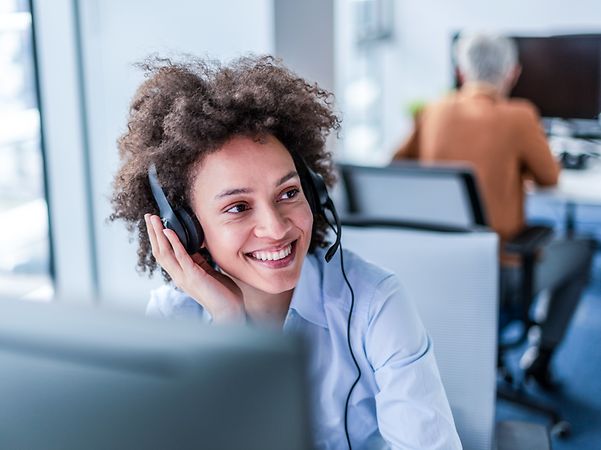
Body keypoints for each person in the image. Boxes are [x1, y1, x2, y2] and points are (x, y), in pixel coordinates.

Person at [110, 55, 462, 449]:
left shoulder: (374, 302)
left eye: (289, 193)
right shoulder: (174, 318)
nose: (277, 228)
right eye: (238, 207)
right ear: (186, 229)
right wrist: (228, 325)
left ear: (312, 193)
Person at [392, 32, 595, 390]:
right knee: (582, 249)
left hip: (433, 267)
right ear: (512, 73)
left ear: (460, 72)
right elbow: (549, 177)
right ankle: (541, 359)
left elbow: (395, 167)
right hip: (500, 273)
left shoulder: (432, 111)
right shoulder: (519, 116)